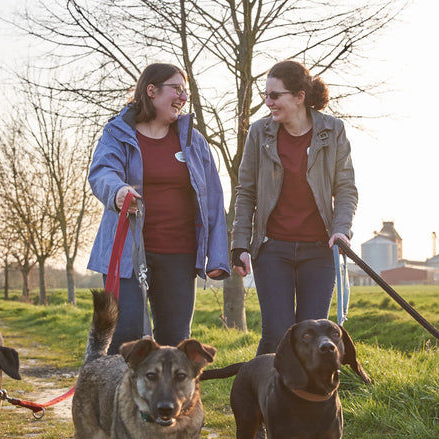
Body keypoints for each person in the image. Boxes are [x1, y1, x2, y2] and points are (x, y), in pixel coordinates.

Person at [86, 63, 230, 354]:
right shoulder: (118, 133)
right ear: (151, 91)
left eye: (185, 91)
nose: (183, 97)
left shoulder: (192, 140)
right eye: (176, 89)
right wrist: (118, 191)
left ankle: (167, 401)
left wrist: (217, 256)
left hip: (179, 253)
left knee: (174, 339)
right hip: (128, 252)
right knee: (126, 336)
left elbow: (213, 198)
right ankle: (121, 399)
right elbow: (102, 171)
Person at [231, 60, 359, 356]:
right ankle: (265, 397)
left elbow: (346, 188)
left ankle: (312, 402)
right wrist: (239, 244)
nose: (268, 102)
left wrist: (341, 230)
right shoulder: (259, 133)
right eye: (266, 95)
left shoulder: (333, 130)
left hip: (320, 250)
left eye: (275, 96)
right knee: (278, 334)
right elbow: (246, 192)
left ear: (299, 97)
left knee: (312, 336)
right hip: (273, 249)